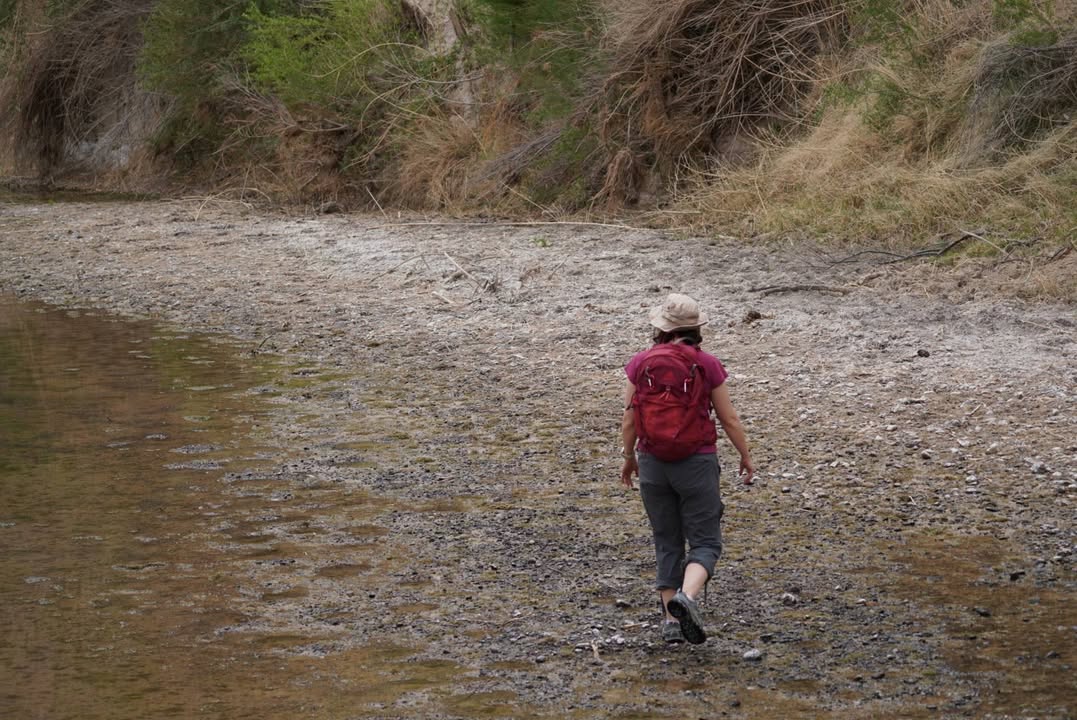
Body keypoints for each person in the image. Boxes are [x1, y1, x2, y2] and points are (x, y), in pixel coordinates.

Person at [620, 293, 755, 645]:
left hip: (652, 463)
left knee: (666, 539)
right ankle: (687, 597)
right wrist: (745, 456)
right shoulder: (707, 364)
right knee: (706, 541)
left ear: (660, 328)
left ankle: (669, 622)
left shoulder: (640, 363)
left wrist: (628, 457)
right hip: (696, 461)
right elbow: (729, 419)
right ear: (696, 328)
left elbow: (629, 420)